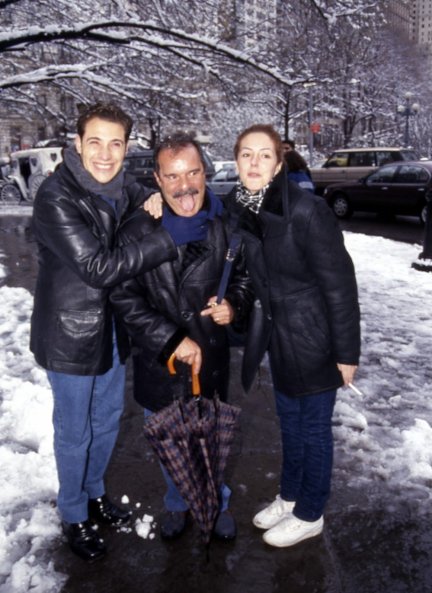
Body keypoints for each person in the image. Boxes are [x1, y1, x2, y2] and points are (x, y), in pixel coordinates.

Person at [30, 102, 179, 561]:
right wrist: (165, 241)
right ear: (76, 144)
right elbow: (97, 268)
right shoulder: (56, 195)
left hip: (112, 330)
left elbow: (158, 198)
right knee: (74, 432)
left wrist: (156, 199)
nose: (105, 153)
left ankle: (94, 494)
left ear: (126, 146)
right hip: (70, 337)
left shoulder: (123, 188)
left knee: (107, 421)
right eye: (95, 141)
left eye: (116, 143)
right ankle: (74, 513)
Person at [110, 132, 252, 541]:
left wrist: (234, 306)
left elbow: (242, 278)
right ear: (157, 178)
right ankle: (177, 502)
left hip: (210, 356)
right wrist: (172, 339)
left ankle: (216, 501)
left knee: (211, 441)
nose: (184, 185)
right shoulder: (138, 228)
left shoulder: (227, 222)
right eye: (172, 176)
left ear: (205, 172)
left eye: (192, 172)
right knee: (170, 444)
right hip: (161, 361)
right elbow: (124, 295)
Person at [224, 124, 360, 548]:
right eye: (247, 154)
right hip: (280, 340)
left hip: (314, 336)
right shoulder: (243, 207)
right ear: (236, 160)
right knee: (290, 426)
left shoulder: (305, 210)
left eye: (265, 155)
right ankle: (290, 496)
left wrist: (346, 351)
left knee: (314, 430)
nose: (254, 163)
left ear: (279, 162)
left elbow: (339, 282)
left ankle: (310, 512)